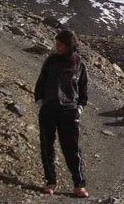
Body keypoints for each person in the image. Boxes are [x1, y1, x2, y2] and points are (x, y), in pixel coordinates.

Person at [34, 30, 90, 198]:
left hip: (69, 112)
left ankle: (79, 184)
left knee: (72, 148)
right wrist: (40, 102)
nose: (56, 47)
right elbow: (41, 82)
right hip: (49, 110)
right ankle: (50, 181)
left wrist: (79, 108)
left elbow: (83, 89)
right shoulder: (50, 61)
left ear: (68, 45)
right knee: (47, 146)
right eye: (56, 44)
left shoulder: (79, 64)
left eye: (60, 44)